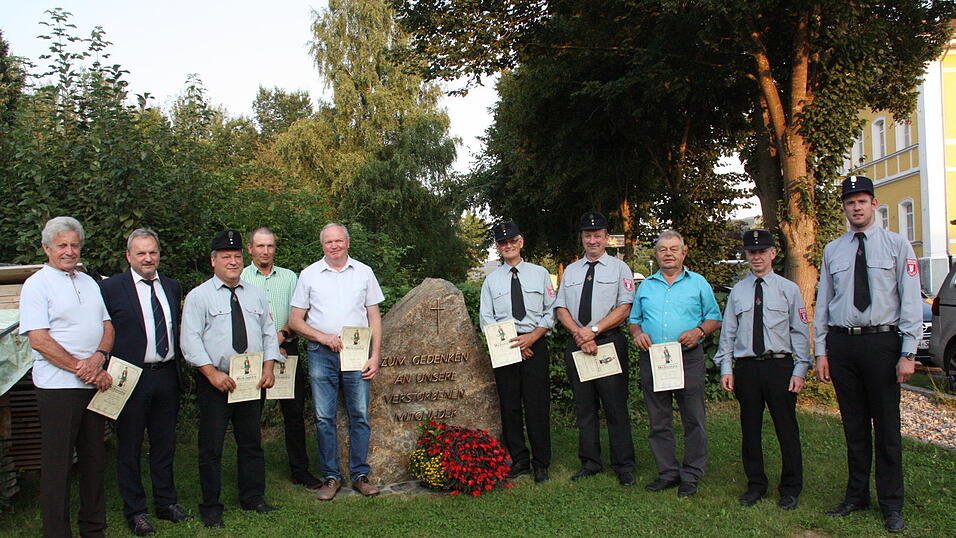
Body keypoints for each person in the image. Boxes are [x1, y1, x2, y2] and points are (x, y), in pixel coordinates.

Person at [814, 176, 922, 533]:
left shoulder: (897, 244)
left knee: (887, 427)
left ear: (874, 204)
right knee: (853, 424)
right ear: (844, 208)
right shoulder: (833, 250)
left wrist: (908, 351)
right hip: (844, 344)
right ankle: (856, 495)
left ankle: (891, 504)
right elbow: (824, 303)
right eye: (850, 202)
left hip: (882, 343)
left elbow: (910, 299)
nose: (856, 207)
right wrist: (821, 351)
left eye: (862, 200)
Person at [19, 216, 113, 538]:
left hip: (93, 384)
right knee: (58, 466)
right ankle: (57, 532)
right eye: (62, 245)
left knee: (93, 460)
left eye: (74, 245)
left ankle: (93, 529)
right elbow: (39, 340)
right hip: (58, 388)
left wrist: (99, 359)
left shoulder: (89, 282)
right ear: (47, 248)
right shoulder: (36, 284)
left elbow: (108, 326)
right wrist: (82, 368)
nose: (69, 251)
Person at [180, 229, 281, 528]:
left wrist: (269, 367)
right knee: (211, 447)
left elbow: (267, 332)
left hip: (249, 378)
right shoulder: (199, 296)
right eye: (226, 257)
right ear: (214, 261)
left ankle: (253, 497)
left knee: (251, 441)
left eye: (237, 257)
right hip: (215, 381)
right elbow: (191, 340)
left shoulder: (256, 293)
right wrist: (211, 374)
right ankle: (211, 506)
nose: (233, 262)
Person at [99, 229, 193, 535]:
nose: (148, 258)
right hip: (129, 377)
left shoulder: (171, 285)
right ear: (128, 256)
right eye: (140, 253)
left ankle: (166, 503)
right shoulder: (111, 289)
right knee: (129, 445)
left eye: (152, 252)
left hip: (166, 374)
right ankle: (135, 510)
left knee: (165, 444)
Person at [713, 229, 811, 510]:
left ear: (772, 254)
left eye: (761, 251)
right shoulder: (738, 292)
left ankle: (790, 488)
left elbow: (800, 331)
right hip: (747, 369)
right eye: (751, 252)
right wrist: (726, 368)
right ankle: (755, 484)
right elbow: (728, 333)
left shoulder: (788, 289)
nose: (756, 257)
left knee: (786, 428)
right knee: (750, 429)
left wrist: (800, 369)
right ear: (746, 256)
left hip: (779, 366)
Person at [289, 223, 384, 500]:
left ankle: (360, 476)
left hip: (357, 353)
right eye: (329, 242)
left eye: (339, 241)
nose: (334, 246)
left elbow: (374, 317)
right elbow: (296, 321)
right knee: (323, 417)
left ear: (347, 243)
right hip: (322, 354)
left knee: (359, 416)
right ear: (323, 246)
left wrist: (375, 355)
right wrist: (322, 337)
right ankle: (331, 477)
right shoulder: (309, 275)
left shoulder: (364, 272)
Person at [629, 229, 721, 498]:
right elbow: (635, 321)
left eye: (673, 248)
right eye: (662, 249)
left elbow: (714, 317)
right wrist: (638, 334)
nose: (668, 253)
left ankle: (691, 474)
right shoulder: (646, 286)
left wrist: (700, 332)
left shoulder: (699, 283)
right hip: (654, 357)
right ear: (656, 254)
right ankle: (668, 472)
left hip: (688, 357)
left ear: (684, 252)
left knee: (693, 417)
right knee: (658, 418)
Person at [553, 211, 636, 486]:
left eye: (597, 236)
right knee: (585, 407)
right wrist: (579, 333)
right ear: (582, 238)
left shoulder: (620, 269)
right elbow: (561, 307)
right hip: (578, 343)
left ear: (606, 238)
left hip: (608, 342)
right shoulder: (572, 270)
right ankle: (590, 462)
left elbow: (624, 307)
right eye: (587, 236)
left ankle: (623, 466)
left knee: (615, 407)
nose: (592, 240)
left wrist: (594, 331)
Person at [240, 227, 321, 489]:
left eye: (270, 246)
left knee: (294, 415)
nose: (265, 251)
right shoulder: (240, 277)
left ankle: (300, 471)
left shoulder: (289, 278)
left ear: (275, 249)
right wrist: (267, 348)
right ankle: (251, 475)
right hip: (252, 356)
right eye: (260, 246)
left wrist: (282, 337)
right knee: (251, 416)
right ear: (250, 248)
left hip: (287, 352)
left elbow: (300, 314)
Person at [479, 221, 556, 483]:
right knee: (510, 406)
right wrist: (513, 345)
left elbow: (551, 310)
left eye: (512, 240)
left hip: (536, 344)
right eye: (502, 242)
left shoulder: (540, 274)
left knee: (536, 406)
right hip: (505, 348)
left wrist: (532, 338)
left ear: (521, 242)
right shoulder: (491, 280)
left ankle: (541, 462)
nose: (508, 245)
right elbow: (486, 318)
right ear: (498, 248)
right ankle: (519, 460)